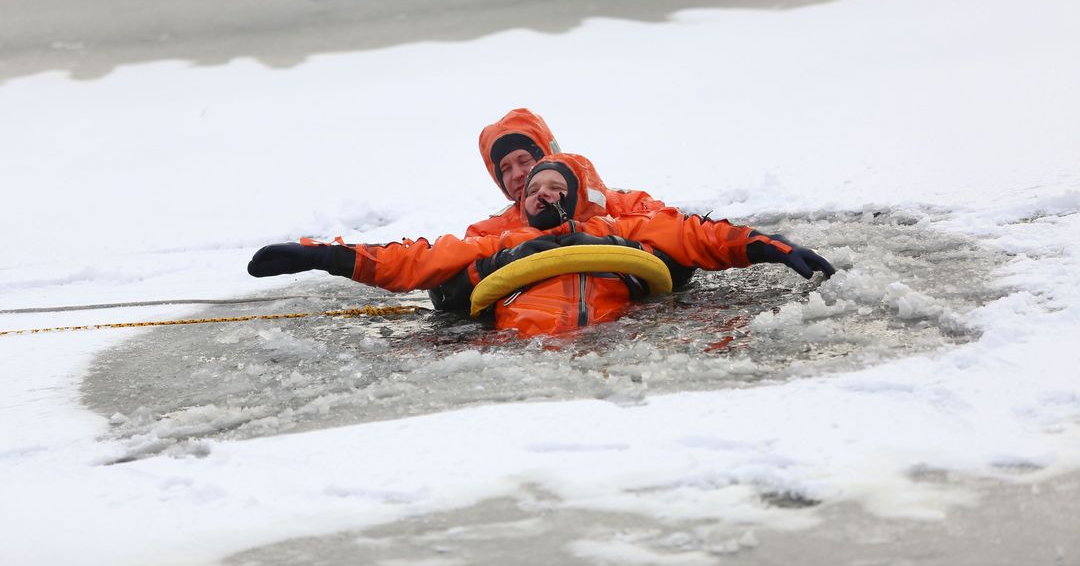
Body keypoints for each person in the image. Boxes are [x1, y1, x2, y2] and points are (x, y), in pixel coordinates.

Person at [248, 154, 835, 337]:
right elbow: (413, 260)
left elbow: (697, 236)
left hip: (619, 338)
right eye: (533, 187)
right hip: (520, 350)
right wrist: (321, 255)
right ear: (520, 201)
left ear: (577, 199)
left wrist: (772, 247)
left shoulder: (619, 231)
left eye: (557, 186)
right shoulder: (495, 240)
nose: (542, 192)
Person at [467, 108, 666, 237]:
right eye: (506, 169)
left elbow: (670, 232)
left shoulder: (626, 206)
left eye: (524, 160)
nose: (517, 173)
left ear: (550, 156)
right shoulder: (488, 234)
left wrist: (607, 235)